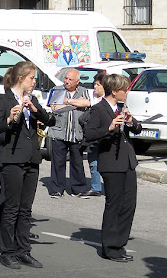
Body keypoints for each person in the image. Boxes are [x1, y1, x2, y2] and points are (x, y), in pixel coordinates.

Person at [0, 61, 55, 269]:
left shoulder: (32, 99)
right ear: (20, 79)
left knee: (26, 209)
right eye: (31, 78)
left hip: (31, 158)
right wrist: (9, 119)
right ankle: (7, 251)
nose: (34, 82)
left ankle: (23, 250)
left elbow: (49, 121)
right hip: (11, 158)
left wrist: (35, 110)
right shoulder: (4, 100)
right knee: (11, 207)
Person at [84, 73, 141, 262]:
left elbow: (137, 129)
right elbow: (89, 134)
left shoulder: (122, 108)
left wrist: (132, 122)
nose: (127, 92)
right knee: (114, 205)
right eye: (125, 89)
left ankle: (120, 243)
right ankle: (110, 248)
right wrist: (108, 128)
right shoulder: (99, 109)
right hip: (111, 163)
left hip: (127, 161)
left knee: (129, 205)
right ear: (114, 91)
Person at [47, 68, 91, 198]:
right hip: (59, 132)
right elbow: (54, 106)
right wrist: (77, 103)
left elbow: (87, 103)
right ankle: (57, 189)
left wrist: (67, 101)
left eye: (70, 79)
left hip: (76, 132)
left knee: (77, 162)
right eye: (66, 78)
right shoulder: (57, 90)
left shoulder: (83, 91)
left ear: (77, 81)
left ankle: (78, 189)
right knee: (58, 162)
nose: (67, 81)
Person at [80, 71, 106, 197]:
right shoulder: (92, 97)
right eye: (95, 84)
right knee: (93, 162)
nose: (95, 87)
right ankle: (96, 187)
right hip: (93, 136)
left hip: (105, 135)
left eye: (98, 85)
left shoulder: (107, 101)